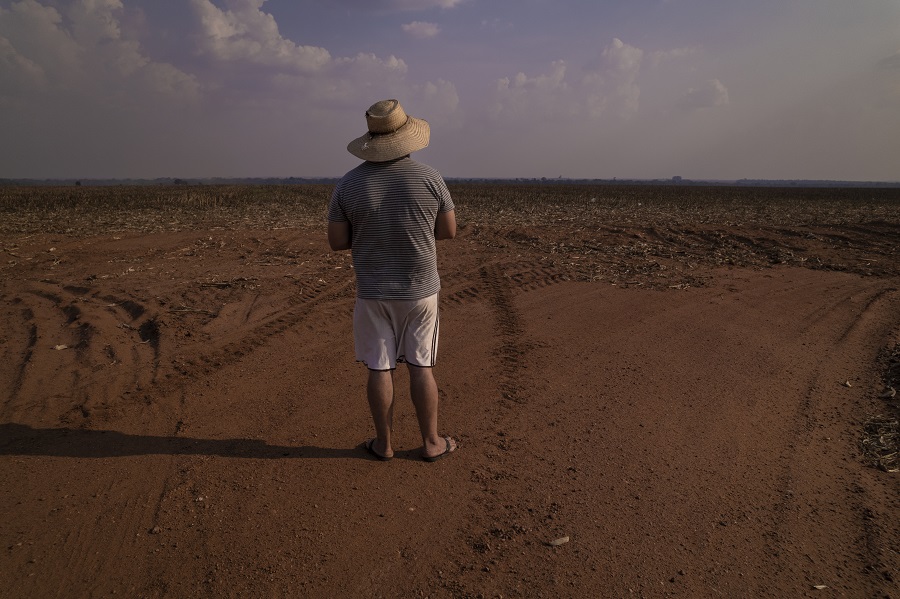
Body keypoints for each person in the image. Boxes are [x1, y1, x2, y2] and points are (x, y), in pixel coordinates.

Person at [327, 99, 458, 462]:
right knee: (421, 365)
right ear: (407, 136)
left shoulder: (348, 185)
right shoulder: (430, 178)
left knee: (379, 365)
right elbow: (448, 231)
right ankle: (432, 442)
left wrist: (372, 231)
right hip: (420, 290)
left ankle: (383, 444)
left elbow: (337, 241)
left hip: (372, 292)